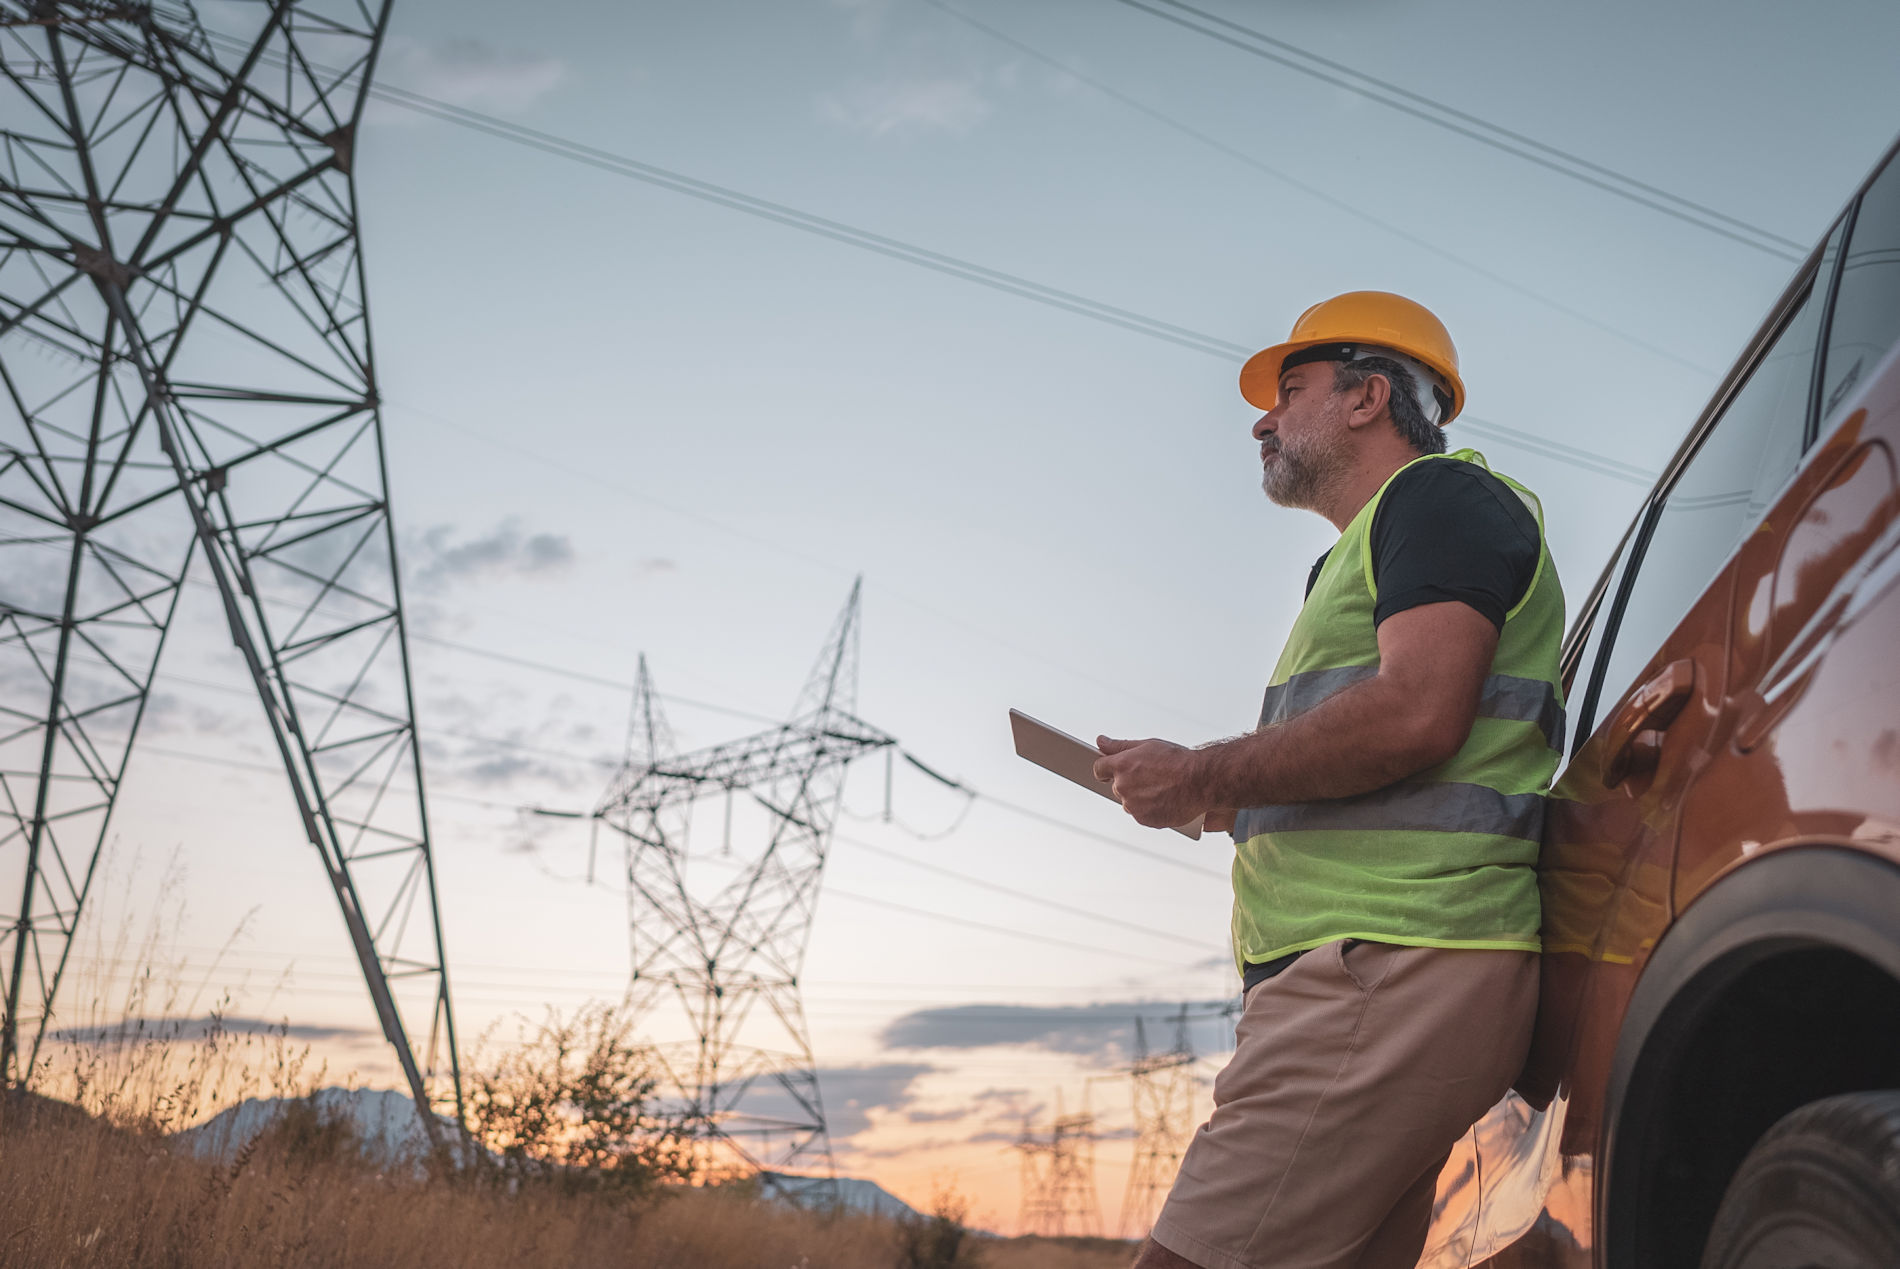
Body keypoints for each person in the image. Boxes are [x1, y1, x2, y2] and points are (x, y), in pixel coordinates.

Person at [1095, 292, 1565, 1269]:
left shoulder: (1439, 500)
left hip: (1384, 968)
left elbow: (1415, 714)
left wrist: (1198, 772)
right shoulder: (1356, 556)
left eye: (1290, 390)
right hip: (1363, 972)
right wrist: (1230, 798)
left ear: (1368, 397)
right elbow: (1384, 748)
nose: (1262, 419)